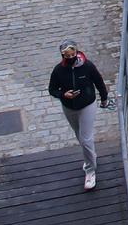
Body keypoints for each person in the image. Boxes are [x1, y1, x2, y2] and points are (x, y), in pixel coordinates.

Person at [47, 40, 111, 190]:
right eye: (66, 55)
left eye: (72, 54)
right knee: (79, 136)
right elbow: (52, 89)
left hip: (87, 105)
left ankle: (90, 171)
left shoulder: (87, 66)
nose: (70, 57)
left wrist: (104, 98)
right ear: (62, 55)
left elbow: (99, 81)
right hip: (69, 107)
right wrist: (63, 94)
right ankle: (91, 157)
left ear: (77, 53)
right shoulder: (58, 70)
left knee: (86, 138)